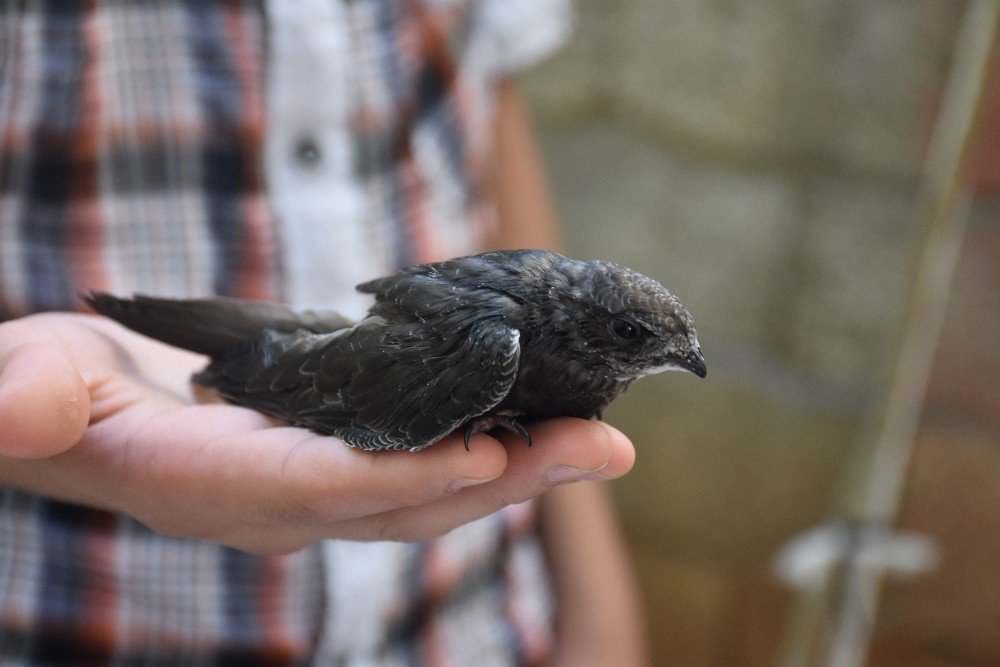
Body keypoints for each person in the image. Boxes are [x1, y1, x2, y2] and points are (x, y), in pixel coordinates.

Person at [0, 2, 647, 664]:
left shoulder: (555, 340)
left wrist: (600, 624)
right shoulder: (482, 350)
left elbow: (491, 105)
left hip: (475, 621)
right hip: (104, 621)